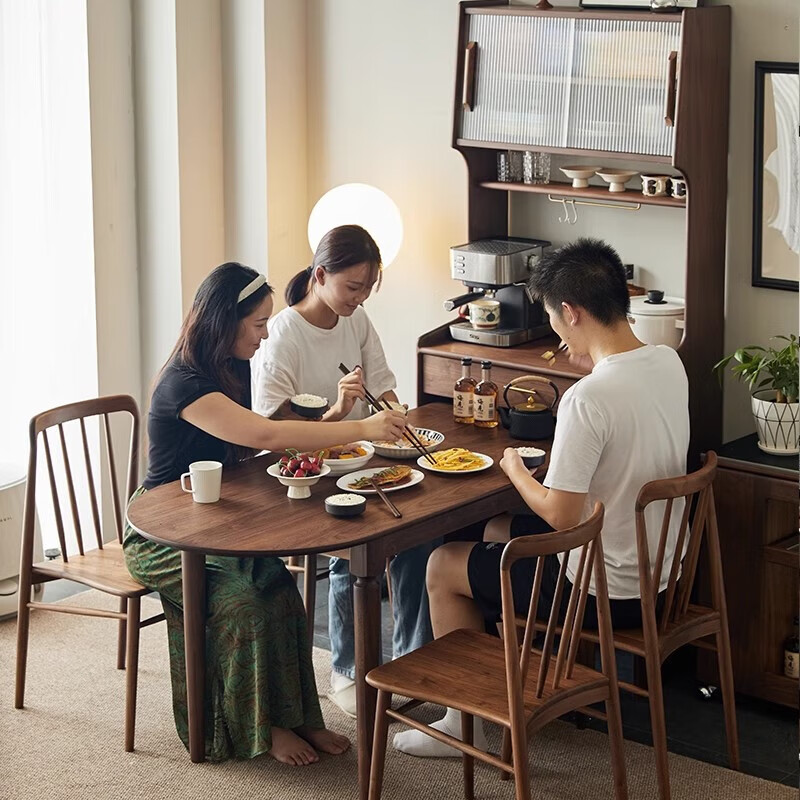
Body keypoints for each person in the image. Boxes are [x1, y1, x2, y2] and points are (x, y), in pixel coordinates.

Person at [393, 237, 690, 758]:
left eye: (552, 316)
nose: (554, 329)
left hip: (600, 591)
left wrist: (514, 468)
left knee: (442, 564)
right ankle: (516, 688)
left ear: (571, 312)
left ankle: (463, 723)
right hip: (659, 575)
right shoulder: (668, 361)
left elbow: (560, 514)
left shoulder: (590, 396)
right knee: (488, 533)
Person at [123, 262, 406, 765]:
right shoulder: (184, 383)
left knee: (279, 588)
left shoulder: (232, 366)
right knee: (245, 603)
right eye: (258, 325)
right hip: (164, 532)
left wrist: (336, 417)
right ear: (224, 321)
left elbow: (269, 432)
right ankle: (261, 728)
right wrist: (363, 430)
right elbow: (265, 436)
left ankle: (298, 717)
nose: (265, 334)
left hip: (218, 518)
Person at [252, 224, 437, 718]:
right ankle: (348, 670)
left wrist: (395, 418)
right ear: (320, 275)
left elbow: (384, 384)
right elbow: (273, 432)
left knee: (420, 536)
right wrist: (337, 415)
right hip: (306, 476)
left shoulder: (355, 321)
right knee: (353, 551)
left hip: (363, 462)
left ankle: (412, 662)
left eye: (366, 288)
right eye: (352, 287)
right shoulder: (284, 333)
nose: (358, 298)